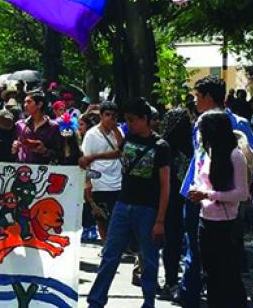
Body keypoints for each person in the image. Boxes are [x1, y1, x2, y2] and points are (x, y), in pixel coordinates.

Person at [178, 76, 253, 308]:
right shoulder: (199, 123)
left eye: (198, 97)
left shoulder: (237, 124)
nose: (195, 101)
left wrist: (229, 183)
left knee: (225, 264)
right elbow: (199, 159)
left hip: (225, 207)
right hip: (195, 195)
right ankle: (191, 298)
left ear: (208, 97)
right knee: (196, 253)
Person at [86, 98, 170, 308]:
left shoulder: (161, 147)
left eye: (132, 120)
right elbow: (119, 153)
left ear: (145, 119)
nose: (129, 124)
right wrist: (94, 157)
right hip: (123, 205)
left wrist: (160, 220)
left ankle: (148, 301)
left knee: (148, 258)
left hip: (148, 209)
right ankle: (96, 301)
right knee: (110, 254)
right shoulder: (130, 137)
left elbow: (165, 185)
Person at [188, 110, 249, 308]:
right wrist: (197, 191)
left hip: (227, 224)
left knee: (229, 276)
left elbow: (241, 193)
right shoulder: (207, 153)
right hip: (205, 221)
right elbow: (202, 181)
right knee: (210, 275)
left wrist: (209, 195)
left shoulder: (235, 155)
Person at [158, 107, 193, 300]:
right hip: (189, 198)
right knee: (190, 242)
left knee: (170, 242)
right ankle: (189, 281)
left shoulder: (163, 145)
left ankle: (170, 281)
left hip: (169, 199)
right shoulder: (193, 145)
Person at [78, 101, 124, 241]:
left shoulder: (119, 132)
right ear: (101, 116)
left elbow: (123, 150)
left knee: (117, 219)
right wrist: (88, 183)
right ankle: (106, 245)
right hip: (99, 182)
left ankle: (115, 245)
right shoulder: (91, 134)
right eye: (107, 115)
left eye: (113, 116)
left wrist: (116, 130)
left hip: (117, 182)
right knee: (101, 218)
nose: (110, 118)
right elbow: (86, 160)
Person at [13, 92, 62, 164]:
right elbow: (14, 150)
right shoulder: (20, 125)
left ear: (39, 104)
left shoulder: (54, 127)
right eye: (24, 102)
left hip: (44, 170)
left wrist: (45, 151)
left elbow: (60, 154)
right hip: (23, 171)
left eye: (29, 102)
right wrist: (15, 147)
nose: (25, 105)